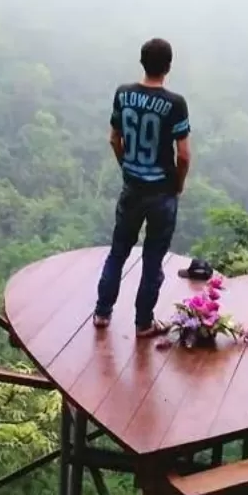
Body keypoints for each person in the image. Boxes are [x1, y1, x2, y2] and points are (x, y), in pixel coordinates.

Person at [93, 38, 192, 335]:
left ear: (142, 62)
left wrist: (127, 167)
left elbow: (114, 138)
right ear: (169, 67)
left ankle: (101, 313)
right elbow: (184, 154)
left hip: (132, 188)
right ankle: (143, 323)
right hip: (162, 192)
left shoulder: (123, 95)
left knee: (118, 252)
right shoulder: (175, 103)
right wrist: (179, 183)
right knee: (152, 260)